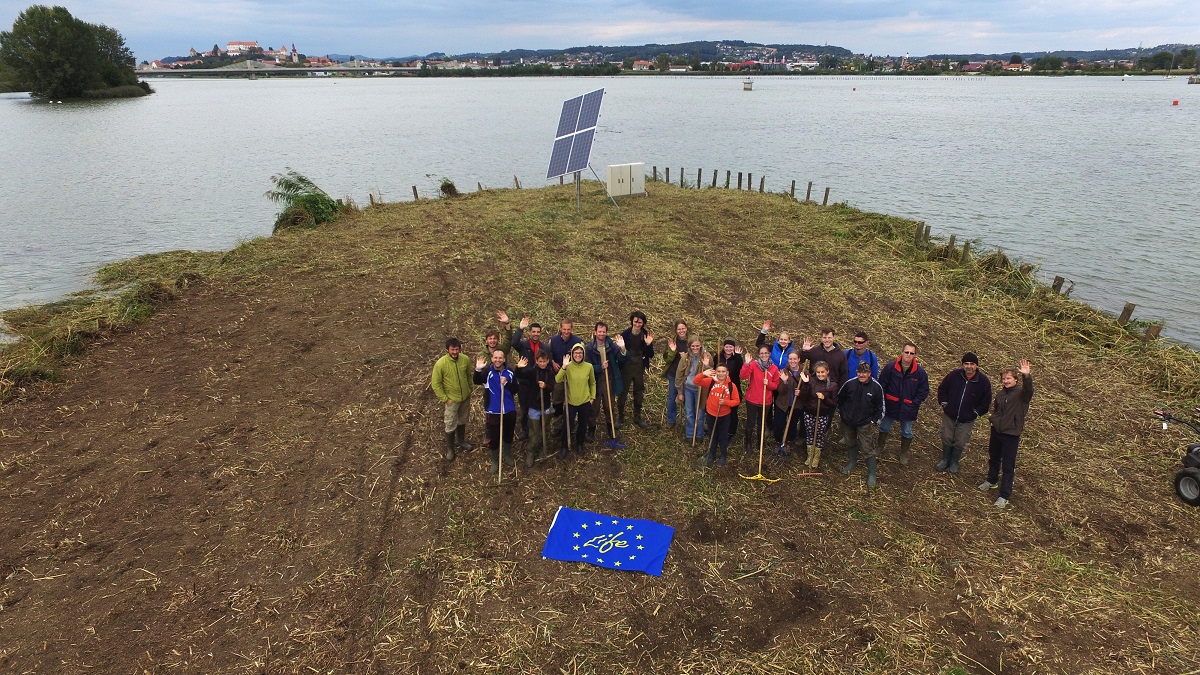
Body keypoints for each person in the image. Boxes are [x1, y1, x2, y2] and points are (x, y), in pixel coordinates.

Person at [979, 360, 1034, 508]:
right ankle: (992, 481)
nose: (1005, 381)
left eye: (1008, 378)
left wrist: (1027, 375)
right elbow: (997, 409)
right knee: (994, 457)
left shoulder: (1021, 395)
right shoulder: (1001, 394)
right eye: (1003, 378)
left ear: (1016, 379)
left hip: (1011, 434)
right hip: (997, 431)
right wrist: (993, 420)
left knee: (1008, 465)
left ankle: (1004, 495)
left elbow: (1029, 391)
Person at [936, 352, 993, 475]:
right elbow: (942, 389)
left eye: (972, 364)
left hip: (967, 419)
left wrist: (975, 412)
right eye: (966, 364)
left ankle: (954, 462)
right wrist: (944, 403)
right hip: (949, 415)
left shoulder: (983, 381)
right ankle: (945, 459)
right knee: (946, 436)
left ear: (976, 365)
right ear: (962, 365)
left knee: (960, 441)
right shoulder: (954, 375)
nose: (969, 366)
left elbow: (986, 401)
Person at [877, 342, 930, 466]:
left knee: (907, 431)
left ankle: (904, 453)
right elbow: (882, 385)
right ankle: (880, 446)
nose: (908, 355)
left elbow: (924, 391)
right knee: (884, 427)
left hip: (907, 408)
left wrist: (914, 403)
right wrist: (884, 400)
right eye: (907, 352)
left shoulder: (920, 373)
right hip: (891, 405)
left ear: (915, 355)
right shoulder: (890, 368)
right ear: (902, 352)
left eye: (912, 353)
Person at [838, 361, 886, 486]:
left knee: (867, 447)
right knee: (850, 441)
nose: (861, 375)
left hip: (865, 423)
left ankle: (872, 473)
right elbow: (840, 399)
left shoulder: (876, 387)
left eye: (864, 372)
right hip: (848, 421)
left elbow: (881, 406)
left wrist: (874, 420)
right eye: (859, 372)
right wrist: (843, 414)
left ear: (869, 373)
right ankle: (852, 462)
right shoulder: (850, 384)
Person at [473, 349, 518, 475]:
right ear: (492, 359)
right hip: (494, 410)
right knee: (493, 436)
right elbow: (477, 381)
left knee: (508, 434)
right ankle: (495, 460)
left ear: (504, 359)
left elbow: (515, 389)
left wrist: (507, 383)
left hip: (509, 410)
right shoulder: (487, 372)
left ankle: (507, 454)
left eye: (500, 358)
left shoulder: (509, 372)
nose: (498, 360)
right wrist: (478, 369)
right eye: (495, 358)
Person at [430, 337, 475, 462]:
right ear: (447, 350)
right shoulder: (441, 364)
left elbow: (468, 375)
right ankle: (450, 448)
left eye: (457, 349)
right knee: (450, 423)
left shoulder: (465, 359)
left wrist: (470, 389)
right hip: (452, 400)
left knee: (462, 420)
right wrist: (445, 399)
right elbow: (436, 384)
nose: (455, 352)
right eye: (452, 349)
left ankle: (461, 441)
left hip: (465, 397)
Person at [586, 322, 628, 441]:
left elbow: (623, 359)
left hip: (608, 379)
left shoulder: (611, 346)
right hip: (595, 381)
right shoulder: (589, 348)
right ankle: (591, 429)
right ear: (595, 332)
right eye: (599, 331)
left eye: (604, 332)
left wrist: (623, 348)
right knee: (594, 407)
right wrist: (600, 367)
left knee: (609, 405)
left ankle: (610, 428)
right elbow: (587, 367)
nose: (602, 334)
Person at [694, 364, 741, 468]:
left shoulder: (731, 386)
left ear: (727, 373)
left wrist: (726, 402)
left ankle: (723, 455)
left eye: (723, 371)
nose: (721, 374)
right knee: (712, 435)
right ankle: (711, 454)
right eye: (719, 371)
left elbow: (737, 401)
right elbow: (696, 381)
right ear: (716, 372)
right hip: (711, 414)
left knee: (723, 436)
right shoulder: (711, 381)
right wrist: (703, 374)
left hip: (724, 416)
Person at [516, 351, 556, 467]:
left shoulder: (550, 373)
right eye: (540, 361)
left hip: (546, 406)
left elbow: (552, 387)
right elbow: (520, 375)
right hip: (533, 406)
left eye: (544, 361)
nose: (542, 363)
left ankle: (544, 450)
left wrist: (546, 386)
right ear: (537, 361)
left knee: (545, 429)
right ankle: (530, 451)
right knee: (534, 432)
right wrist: (518, 368)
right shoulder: (532, 372)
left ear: (548, 361)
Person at [556, 344, 596, 458]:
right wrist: (563, 367)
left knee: (583, 425)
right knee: (567, 425)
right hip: (570, 402)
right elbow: (557, 379)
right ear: (572, 354)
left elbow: (592, 383)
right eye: (576, 353)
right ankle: (564, 446)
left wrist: (592, 397)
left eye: (580, 353)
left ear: (583, 354)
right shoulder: (568, 366)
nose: (578, 355)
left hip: (585, 401)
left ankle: (580, 444)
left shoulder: (589, 367)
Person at [739, 345, 780, 454]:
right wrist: (746, 364)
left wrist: (769, 384)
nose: (764, 355)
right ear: (758, 354)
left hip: (765, 401)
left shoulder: (774, 368)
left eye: (766, 353)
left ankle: (760, 444)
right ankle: (748, 443)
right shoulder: (754, 365)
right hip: (752, 399)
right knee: (750, 422)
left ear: (769, 354)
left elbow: (776, 385)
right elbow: (743, 376)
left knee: (762, 423)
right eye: (761, 353)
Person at [512, 316, 547, 439]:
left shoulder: (545, 347)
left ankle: (538, 430)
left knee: (538, 407)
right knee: (524, 409)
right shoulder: (523, 345)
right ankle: (525, 430)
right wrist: (520, 329)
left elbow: (547, 362)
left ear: (541, 333)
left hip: (538, 383)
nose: (536, 334)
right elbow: (513, 342)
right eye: (533, 331)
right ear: (529, 332)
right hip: (525, 383)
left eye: (538, 332)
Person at [798, 361, 838, 469]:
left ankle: (816, 458)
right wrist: (805, 384)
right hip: (809, 413)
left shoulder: (833, 385)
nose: (820, 374)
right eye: (818, 372)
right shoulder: (811, 381)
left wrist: (824, 398)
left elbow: (834, 403)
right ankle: (810, 456)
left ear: (827, 372)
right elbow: (804, 397)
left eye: (822, 372)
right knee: (810, 434)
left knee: (819, 435)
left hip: (822, 415)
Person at [618, 311, 654, 429]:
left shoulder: (645, 335)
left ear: (643, 323)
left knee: (639, 392)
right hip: (627, 367)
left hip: (639, 366)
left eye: (640, 322)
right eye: (635, 322)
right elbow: (620, 354)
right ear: (632, 321)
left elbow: (651, 354)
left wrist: (648, 345)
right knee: (623, 392)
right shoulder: (625, 334)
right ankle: (620, 417)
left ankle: (637, 417)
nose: (637, 324)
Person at [676, 334, 710, 443]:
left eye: (697, 346)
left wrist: (707, 365)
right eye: (693, 346)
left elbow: (712, 373)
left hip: (701, 390)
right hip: (689, 389)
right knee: (690, 413)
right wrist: (680, 392)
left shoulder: (706, 356)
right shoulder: (685, 358)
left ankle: (699, 434)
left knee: (700, 414)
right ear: (690, 346)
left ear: (701, 345)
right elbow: (679, 376)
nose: (695, 348)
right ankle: (690, 434)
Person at [773, 351, 805, 457]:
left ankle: (789, 442)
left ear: (799, 359)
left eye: (795, 359)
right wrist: (785, 382)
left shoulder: (804, 372)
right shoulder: (784, 371)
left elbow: (809, 389)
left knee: (792, 424)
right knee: (779, 424)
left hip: (796, 405)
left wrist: (801, 393)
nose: (792, 361)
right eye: (790, 359)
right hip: (782, 403)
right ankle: (779, 441)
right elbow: (780, 391)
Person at [661, 320, 691, 427]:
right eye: (679, 329)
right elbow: (666, 359)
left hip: (688, 375)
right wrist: (673, 351)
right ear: (676, 330)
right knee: (673, 396)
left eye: (683, 328)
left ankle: (690, 420)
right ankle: (671, 420)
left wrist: (686, 357)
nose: (681, 331)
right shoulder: (672, 342)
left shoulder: (691, 341)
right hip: (673, 373)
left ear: (686, 328)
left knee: (688, 397)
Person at [715, 339, 745, 439]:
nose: (728, 349)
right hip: (719, 387)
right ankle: (720, 428)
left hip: (733, 388)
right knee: (721, 409)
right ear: (724, 347)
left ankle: (731, 431)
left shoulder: (737, 358)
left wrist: (737, 356)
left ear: (733, 348)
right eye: (726, 346)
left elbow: (740, 372)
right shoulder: (718, 357)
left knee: (732, 411)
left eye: (730, 347)